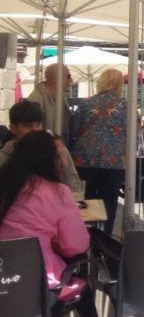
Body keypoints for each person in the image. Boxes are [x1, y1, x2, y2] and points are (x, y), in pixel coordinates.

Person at [0, 131, 95, 315]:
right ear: (47, 159)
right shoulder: (58, 192)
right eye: (59, 156)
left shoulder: (4, 185)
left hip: (5, 284)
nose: (64, 162)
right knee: (83, 290)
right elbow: (77, 245)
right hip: (40, 284)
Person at [71, 69, 127, 234]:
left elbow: (73, 130)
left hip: (84, 161)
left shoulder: (85, 104)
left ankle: (83, 238)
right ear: (119, 84)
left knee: (84, 202)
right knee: (108, 203)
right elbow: (134, 136)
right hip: (113, 163)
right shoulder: (125, 105)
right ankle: (104, 244)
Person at [0, 101, 80, 187]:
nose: (35, 131)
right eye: (28, 126)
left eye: (38, 125)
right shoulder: (4, 158)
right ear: (13, 128)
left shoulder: (58, 150)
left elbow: (74, 184)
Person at [27, 63, 73, 143]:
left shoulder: (60, 97)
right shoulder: (36, 100)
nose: (71, 80)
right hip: (43, 150)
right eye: (68, 76)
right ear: (56, 78)